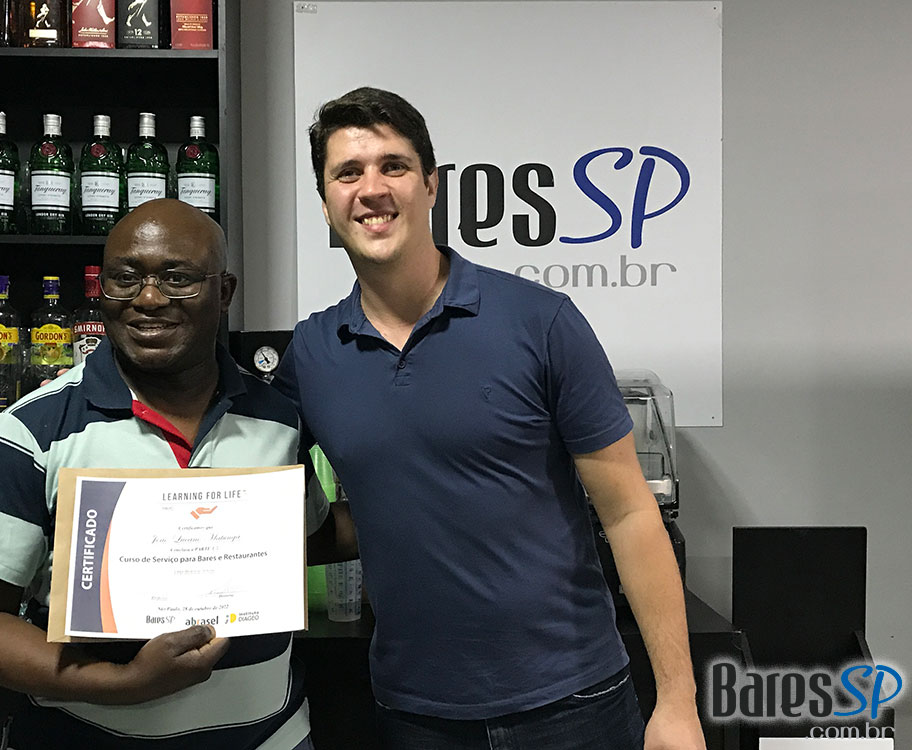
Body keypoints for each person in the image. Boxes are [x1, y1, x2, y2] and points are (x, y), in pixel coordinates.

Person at [273, 87, 707, 750]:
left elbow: (628, 513)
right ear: (325, 200)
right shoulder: (312, 353)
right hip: (416, 714)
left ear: (431, 185)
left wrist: (677, 702)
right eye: (347, 173)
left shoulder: (541, 322)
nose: (372, 189)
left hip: (573, 703)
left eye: (394, 166)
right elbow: (281, 498)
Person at [0, 199, 353, 750]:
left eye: (178, 278)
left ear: (224, 293)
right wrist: (122, 683)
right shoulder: (34, 429)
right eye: (125, 278)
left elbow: (304, 539)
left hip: (273, 738)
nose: (149, 298)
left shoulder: (277, 418)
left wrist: (433, 509)